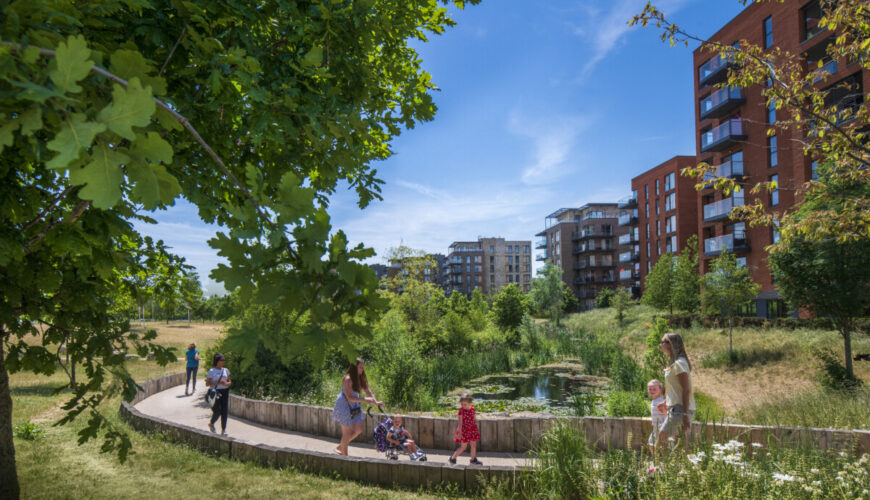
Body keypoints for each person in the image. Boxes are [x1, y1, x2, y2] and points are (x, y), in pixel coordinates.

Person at [332, 358, 381, 456]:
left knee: (358, 430)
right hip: (344, 405)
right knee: (346, 432)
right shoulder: (348, 379)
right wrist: (365, 400)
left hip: (355, 404)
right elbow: (349, 398)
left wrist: (376, 402)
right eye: (360, 367)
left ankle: (341, 445)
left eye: (363, 367)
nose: (362, 369)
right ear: (354, 367)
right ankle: (345, 456)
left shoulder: (360, 377)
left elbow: (368, 391)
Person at [657, 332, 696, 450]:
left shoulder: (679, 363)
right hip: (675, 408)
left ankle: (659, 466)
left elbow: (686, 389)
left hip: (680, 409)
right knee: (675, 444)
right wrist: (666, 402)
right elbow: (675, 388)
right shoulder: (675, 363)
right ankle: (673, 467)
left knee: (661, 439)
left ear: (671, 344)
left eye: (663, 342)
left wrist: (685, 415)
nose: (661, 344)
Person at [449, 393, 482, 465]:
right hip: (464, 431)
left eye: (465, 404)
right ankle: (453, 458)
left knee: (473, 445)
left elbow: (474, 418)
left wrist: (476, 422)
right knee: (463, 447)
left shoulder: (473, 409)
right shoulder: (461, 411)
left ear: (469, 403)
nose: (463, 406)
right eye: (462, 404)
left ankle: (473, 460)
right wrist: (459, 433)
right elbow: (460, 423)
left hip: (472, 429)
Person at [206, 353, 231, 434]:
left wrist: (226, 384)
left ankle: (224, 430)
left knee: (225, 411)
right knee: (217, 411)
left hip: (225, 392)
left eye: (224, 360)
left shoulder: (226, 370)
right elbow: (207, 384)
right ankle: (211, 423)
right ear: (217, 361)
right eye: (222, 360)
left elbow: (229, 381)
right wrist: (218, 383)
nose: (223, 361)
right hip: (216, 392)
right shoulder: (211, 371)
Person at [647, 379, 667, 455]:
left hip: (661, 426)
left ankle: (661, 460)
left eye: (654, 389)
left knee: (660, 445)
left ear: (660, 389)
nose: (652, 391)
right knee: (651, 444)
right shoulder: (654, 401)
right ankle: (656, 459)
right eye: (650, 389)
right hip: (656, 427)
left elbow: (666, 413)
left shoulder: (660, 401)